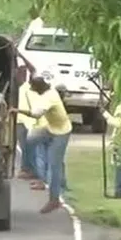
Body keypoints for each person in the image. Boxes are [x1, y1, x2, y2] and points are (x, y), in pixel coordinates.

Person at [10, 69, 73, 214]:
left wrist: (17, 110)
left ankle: (54, 200)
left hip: (61, 132)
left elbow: (36, 114)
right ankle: (31, 168)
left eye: (34, 89)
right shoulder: (46, 92)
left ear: (39, 88)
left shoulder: (49, 97)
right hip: (49, 128)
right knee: (30, 140)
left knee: (54, 164)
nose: (33, 91)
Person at [101, 102, 121, 198]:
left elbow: (118, 123)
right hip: (120, 141)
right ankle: (119, 190)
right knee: (119, 166)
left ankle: (119, 191)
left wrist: (106, 114)